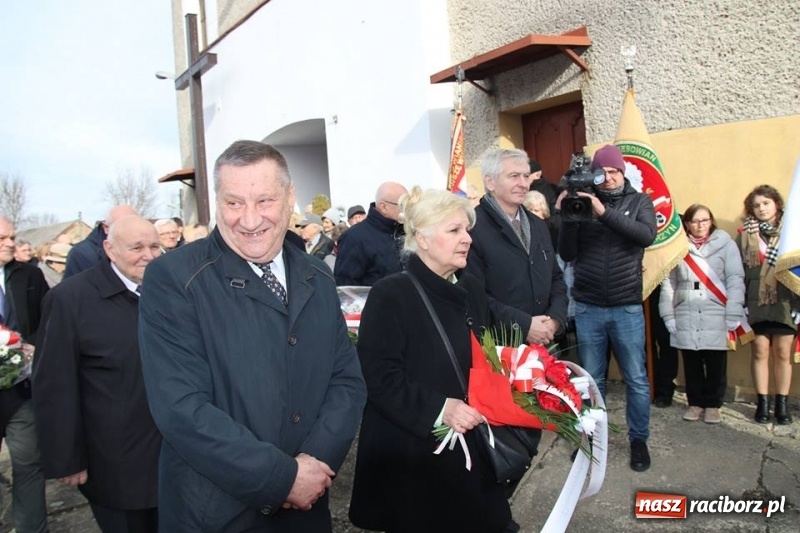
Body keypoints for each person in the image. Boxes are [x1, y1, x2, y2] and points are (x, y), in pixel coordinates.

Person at [138, 140, 366, 531]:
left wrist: (315, 462)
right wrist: (283, 478)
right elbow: (180, 408)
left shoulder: (318, 276)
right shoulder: (174, 278)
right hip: (217, 513)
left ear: (290, 198)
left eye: (264, 201)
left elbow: (346, 380)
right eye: (234, 203)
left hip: (307, 508)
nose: (249, 219)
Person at [349, 187, 513, 533]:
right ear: (421, 239)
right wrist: (441, 408)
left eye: (466, 230)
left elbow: (485, 355)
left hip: (473, 448)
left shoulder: (471, 288)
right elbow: (379, 378)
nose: (466, 239)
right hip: (417, 458)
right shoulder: (391, 294)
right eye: (454, 230)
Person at [32, 216, 162, 532]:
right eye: (137, 247)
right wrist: (67, 459)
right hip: (115, 464)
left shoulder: (167, 290)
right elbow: (54, 384)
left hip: (170, 458)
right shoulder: (70, 299)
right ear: (109, 248)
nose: (149, 254)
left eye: (155, 245)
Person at [557, 144, 656, 472]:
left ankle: (638, 440)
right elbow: (568, 254)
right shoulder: (580, 203)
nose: (609, 178)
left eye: (615, 172)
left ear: (623, 173)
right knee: (591, 380)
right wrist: (569, 216)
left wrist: (602, 211)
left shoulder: (639, 201)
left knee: (637, 379)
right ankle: (591, 439)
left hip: (626, 307)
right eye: (603, 172)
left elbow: (645, 236)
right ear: (594, 175)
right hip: (588, 307)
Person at [467, 149, 568, 348]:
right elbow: (474, 296)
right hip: (500, 348)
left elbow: (556, 278)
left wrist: (555, 320)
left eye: (525, 176)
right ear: (490, 182)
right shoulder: (472, 228)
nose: (523, 184)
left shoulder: (538, 225)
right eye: (514, 176)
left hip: (544, 342)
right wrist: (524, 325)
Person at [659, 204, 745, 424]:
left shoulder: (725, 245)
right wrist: (668, 314)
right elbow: (669, 282)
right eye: (695, 221)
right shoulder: (677, 247)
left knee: (716, 361)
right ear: (687, 223)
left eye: (704, 220)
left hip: (717, 310)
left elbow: (735, 278)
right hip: (686, 310)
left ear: (711, 221)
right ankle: (695, 402)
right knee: (692, 361)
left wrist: (734, 311)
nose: (700, 225)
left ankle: (713, 405)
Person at [0, 216, 50, 533]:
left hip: (20, 390)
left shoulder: (28, 275)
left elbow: (49, 318)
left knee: (29, 463)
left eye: (12, 236)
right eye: (2, 237)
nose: (10, 242)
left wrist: (33, 345)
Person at [737, 185, 797, 424]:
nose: (761, 208)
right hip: (756, 301)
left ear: (777, 205)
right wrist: (740, 303)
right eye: (756, 205)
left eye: (766, 203)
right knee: (760, 350)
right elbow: (738, 271)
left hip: (785, 301)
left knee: (783, 353)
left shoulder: (792, 232)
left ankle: (782, 404)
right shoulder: (745, 233)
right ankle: (762, 403)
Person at [334, 182, 407, 286]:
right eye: (403, 205)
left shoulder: (407, 232)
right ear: (384, 207)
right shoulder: (354, 238)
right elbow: (347, 288)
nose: (408, 209)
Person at [63, 205, 138, 279]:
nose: (130, 232)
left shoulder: (143, 251)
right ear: (106, 228)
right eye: (123, 227)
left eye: (134, 226)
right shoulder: (82, 254)